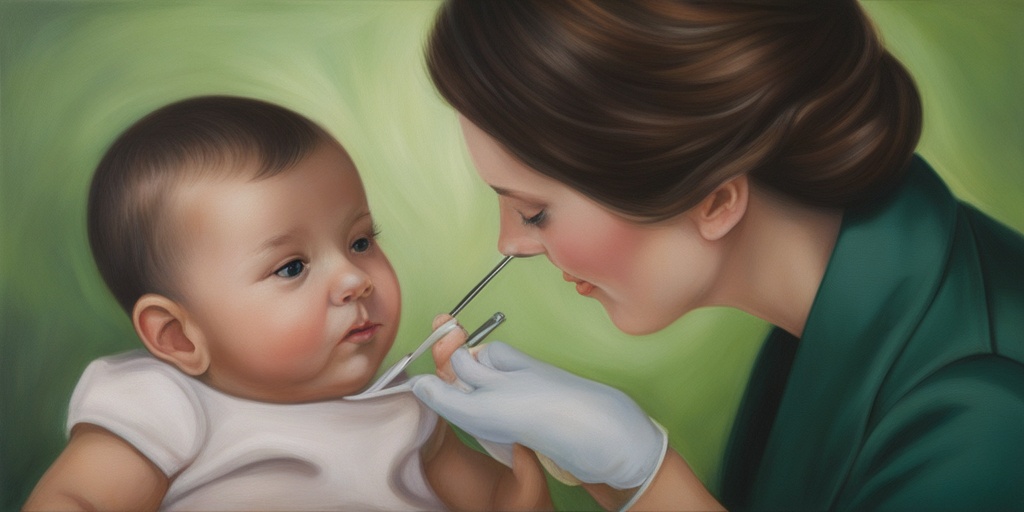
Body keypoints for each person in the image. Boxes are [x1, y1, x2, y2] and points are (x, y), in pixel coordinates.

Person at [409, 1, 1024, 511]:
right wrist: (614, 474)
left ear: (714, 199)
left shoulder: (982, 418)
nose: (510, 244)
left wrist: (650, 479)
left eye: (534, 211)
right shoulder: (845, 312)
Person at [23, 95, 551, 511]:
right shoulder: (167, 405)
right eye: (292, 267)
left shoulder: (410, 409)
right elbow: (77, 500)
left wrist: (521, 469)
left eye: (361, 242)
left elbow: (503, 502)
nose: (354, 278)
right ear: (178, 337)